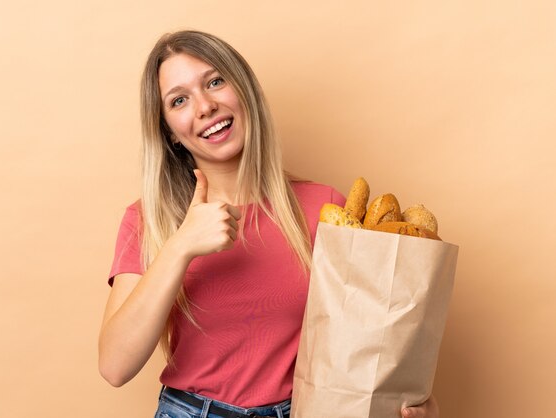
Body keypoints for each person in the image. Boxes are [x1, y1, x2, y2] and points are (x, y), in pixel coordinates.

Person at [98, 30, 440, 418]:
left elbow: (368, 339)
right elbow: (114, 366)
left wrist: (407, 402)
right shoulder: (150, 220)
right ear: (170, 133)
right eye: (179, 100)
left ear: (243, 91)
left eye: (214, 82)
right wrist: (181, 245)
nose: (205, 106)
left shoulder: (326, 208)